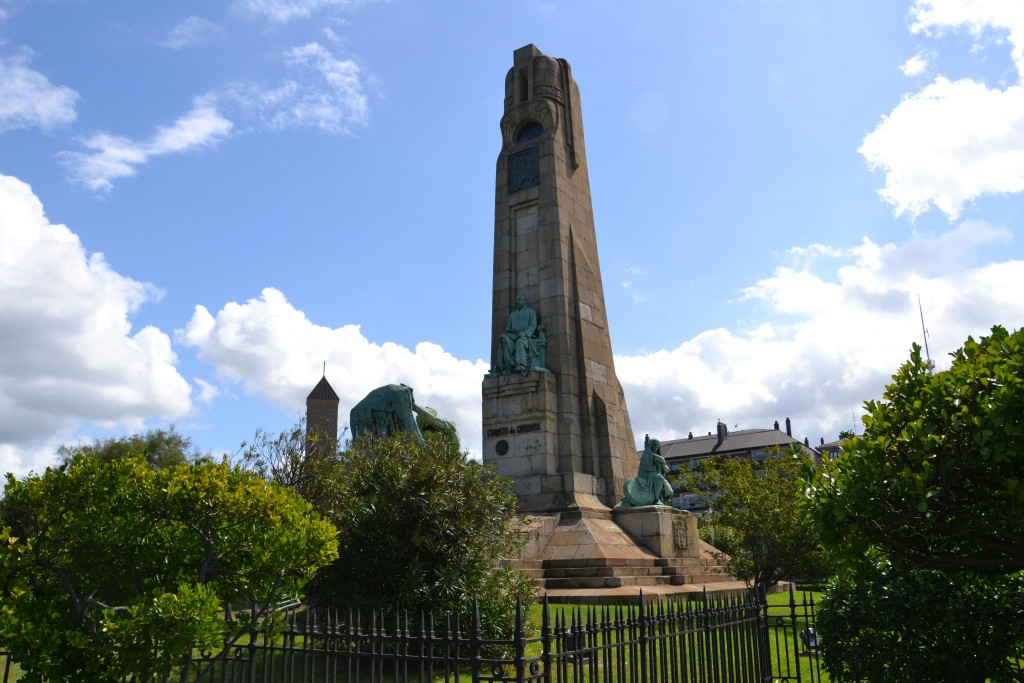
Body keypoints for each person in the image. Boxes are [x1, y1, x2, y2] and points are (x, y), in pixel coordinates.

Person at [617, 439, 674, 508]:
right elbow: (643, 470)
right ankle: (656, 499)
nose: (656, 446)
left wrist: (663, 462)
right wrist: (656, 458)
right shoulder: (647, 455)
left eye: (657, 445)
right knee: (659, 477)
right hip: (649, 476)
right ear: (651, 445)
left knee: (670, 492)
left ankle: (662, 501)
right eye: (655, 444)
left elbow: (666, 470)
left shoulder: (659, 457)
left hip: (658, 476)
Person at [496, 294, 541, 375]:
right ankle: (506, 365)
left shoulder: (531, 312)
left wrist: (525, 333)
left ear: (525, 301)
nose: (518, 302)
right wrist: (509, 331)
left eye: (520, 300)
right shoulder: (512, 314)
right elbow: (508, 328)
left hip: (525, 335)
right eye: (517, 300)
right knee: (503, 337)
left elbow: (533, 325)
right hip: (513, 334)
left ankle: (522, 364)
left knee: (519, 343)